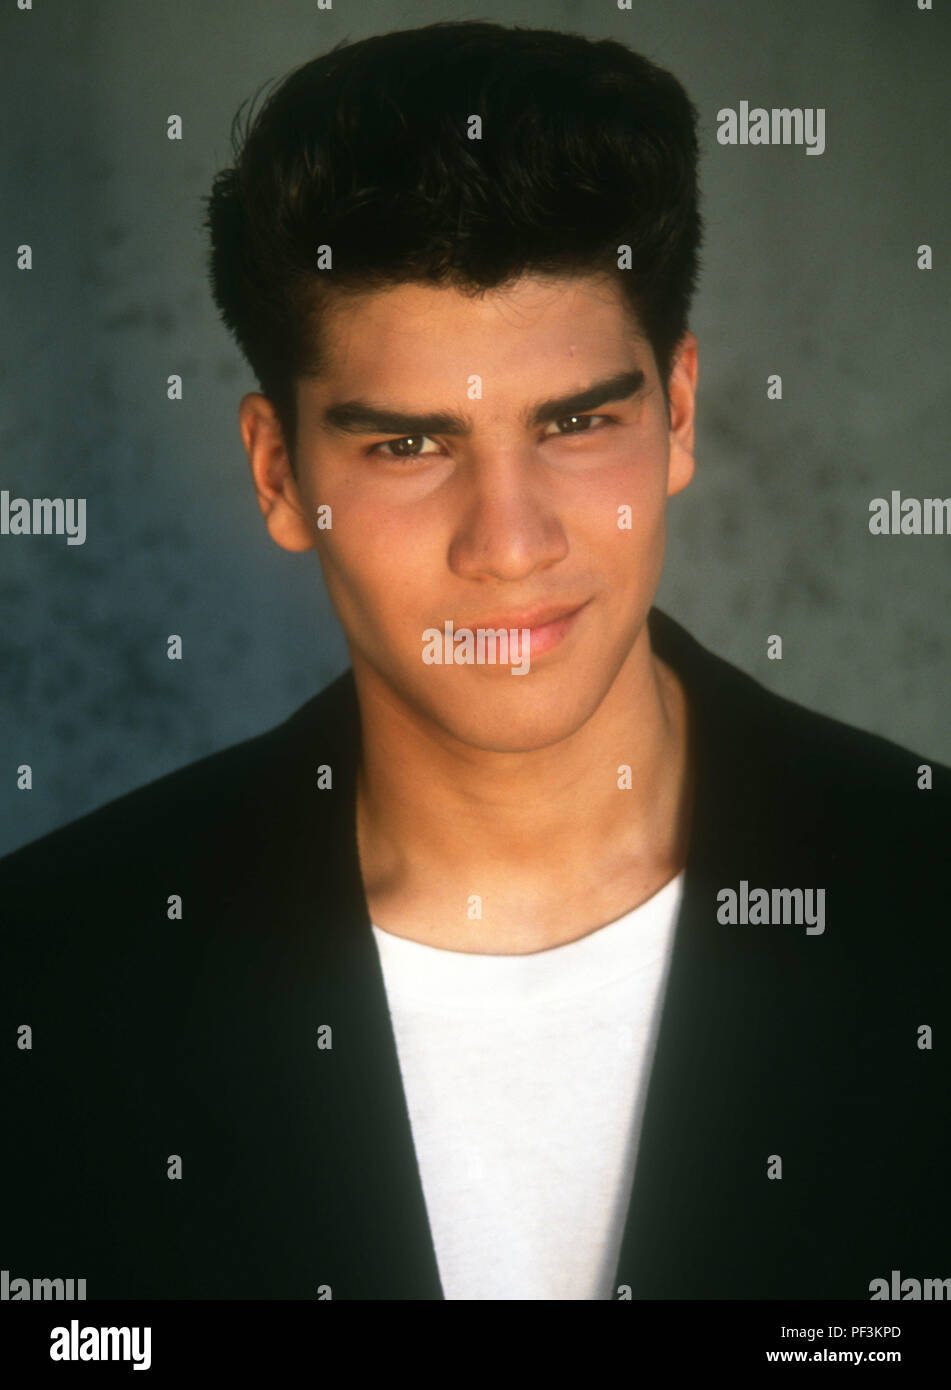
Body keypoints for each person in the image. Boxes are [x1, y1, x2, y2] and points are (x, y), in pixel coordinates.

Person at [1, 21, 947, 1302]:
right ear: (281, 474)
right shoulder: (56, 983)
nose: (510, 544)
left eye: (576, 424)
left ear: (676, 415)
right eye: (406, 446)